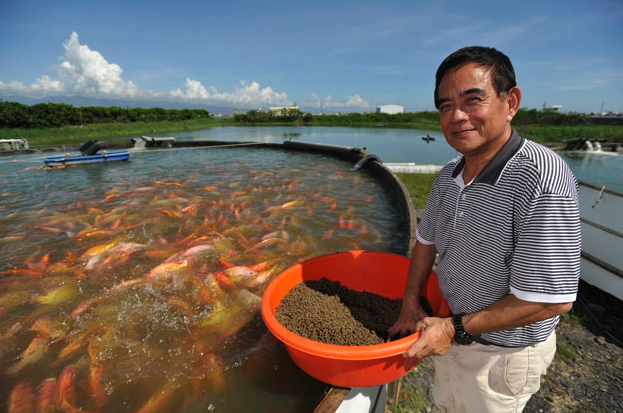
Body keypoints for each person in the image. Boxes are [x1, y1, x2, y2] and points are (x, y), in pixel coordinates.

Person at [388, 46, 581, 412]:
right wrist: (410, 302)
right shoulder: (449, 175)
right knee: (446, 405)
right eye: (445, 106)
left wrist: (451, 329)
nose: (457, 116)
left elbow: (550, 299)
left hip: (502, 355)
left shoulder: (541, 179)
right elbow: (426, 242)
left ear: (511, 102)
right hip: (455, 329)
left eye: (472, 100)